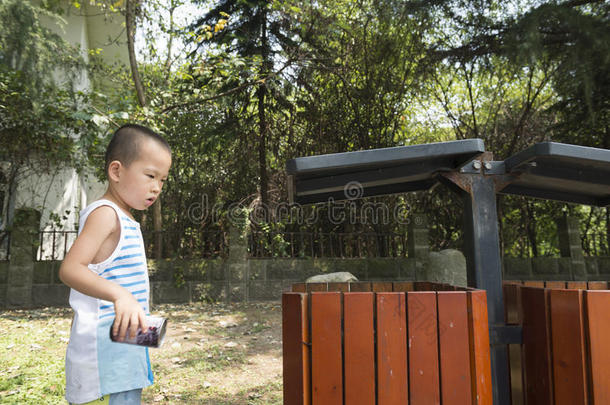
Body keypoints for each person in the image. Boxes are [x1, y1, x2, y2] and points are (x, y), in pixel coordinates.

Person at [59, 124, 172, 404]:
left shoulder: (125, 218)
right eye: (150, 175)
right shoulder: (106, 214)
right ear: (117, 171)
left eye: (163, 180)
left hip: (123, 353)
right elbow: (70, 269)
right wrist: (120, 295)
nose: (157, 187)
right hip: (102, 363)